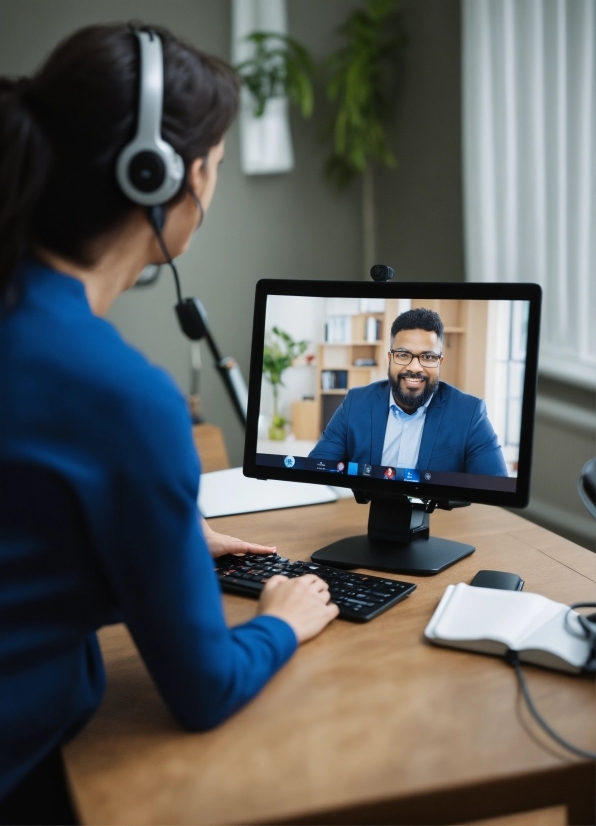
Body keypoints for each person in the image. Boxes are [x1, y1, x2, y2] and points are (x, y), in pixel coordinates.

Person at [0, 24, 338, 824]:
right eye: (214, 166)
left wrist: (156, 538)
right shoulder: (121, 396)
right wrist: (281, 624)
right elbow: (203, 687)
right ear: (160, 177)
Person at [310, 308, 508, 476]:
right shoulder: (356, 402)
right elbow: (315, 470)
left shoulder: (470, 413)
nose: (415, 367)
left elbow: (496, 490)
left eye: (428, 357)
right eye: (403, 355)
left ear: (440, 362)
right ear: (390, 358)